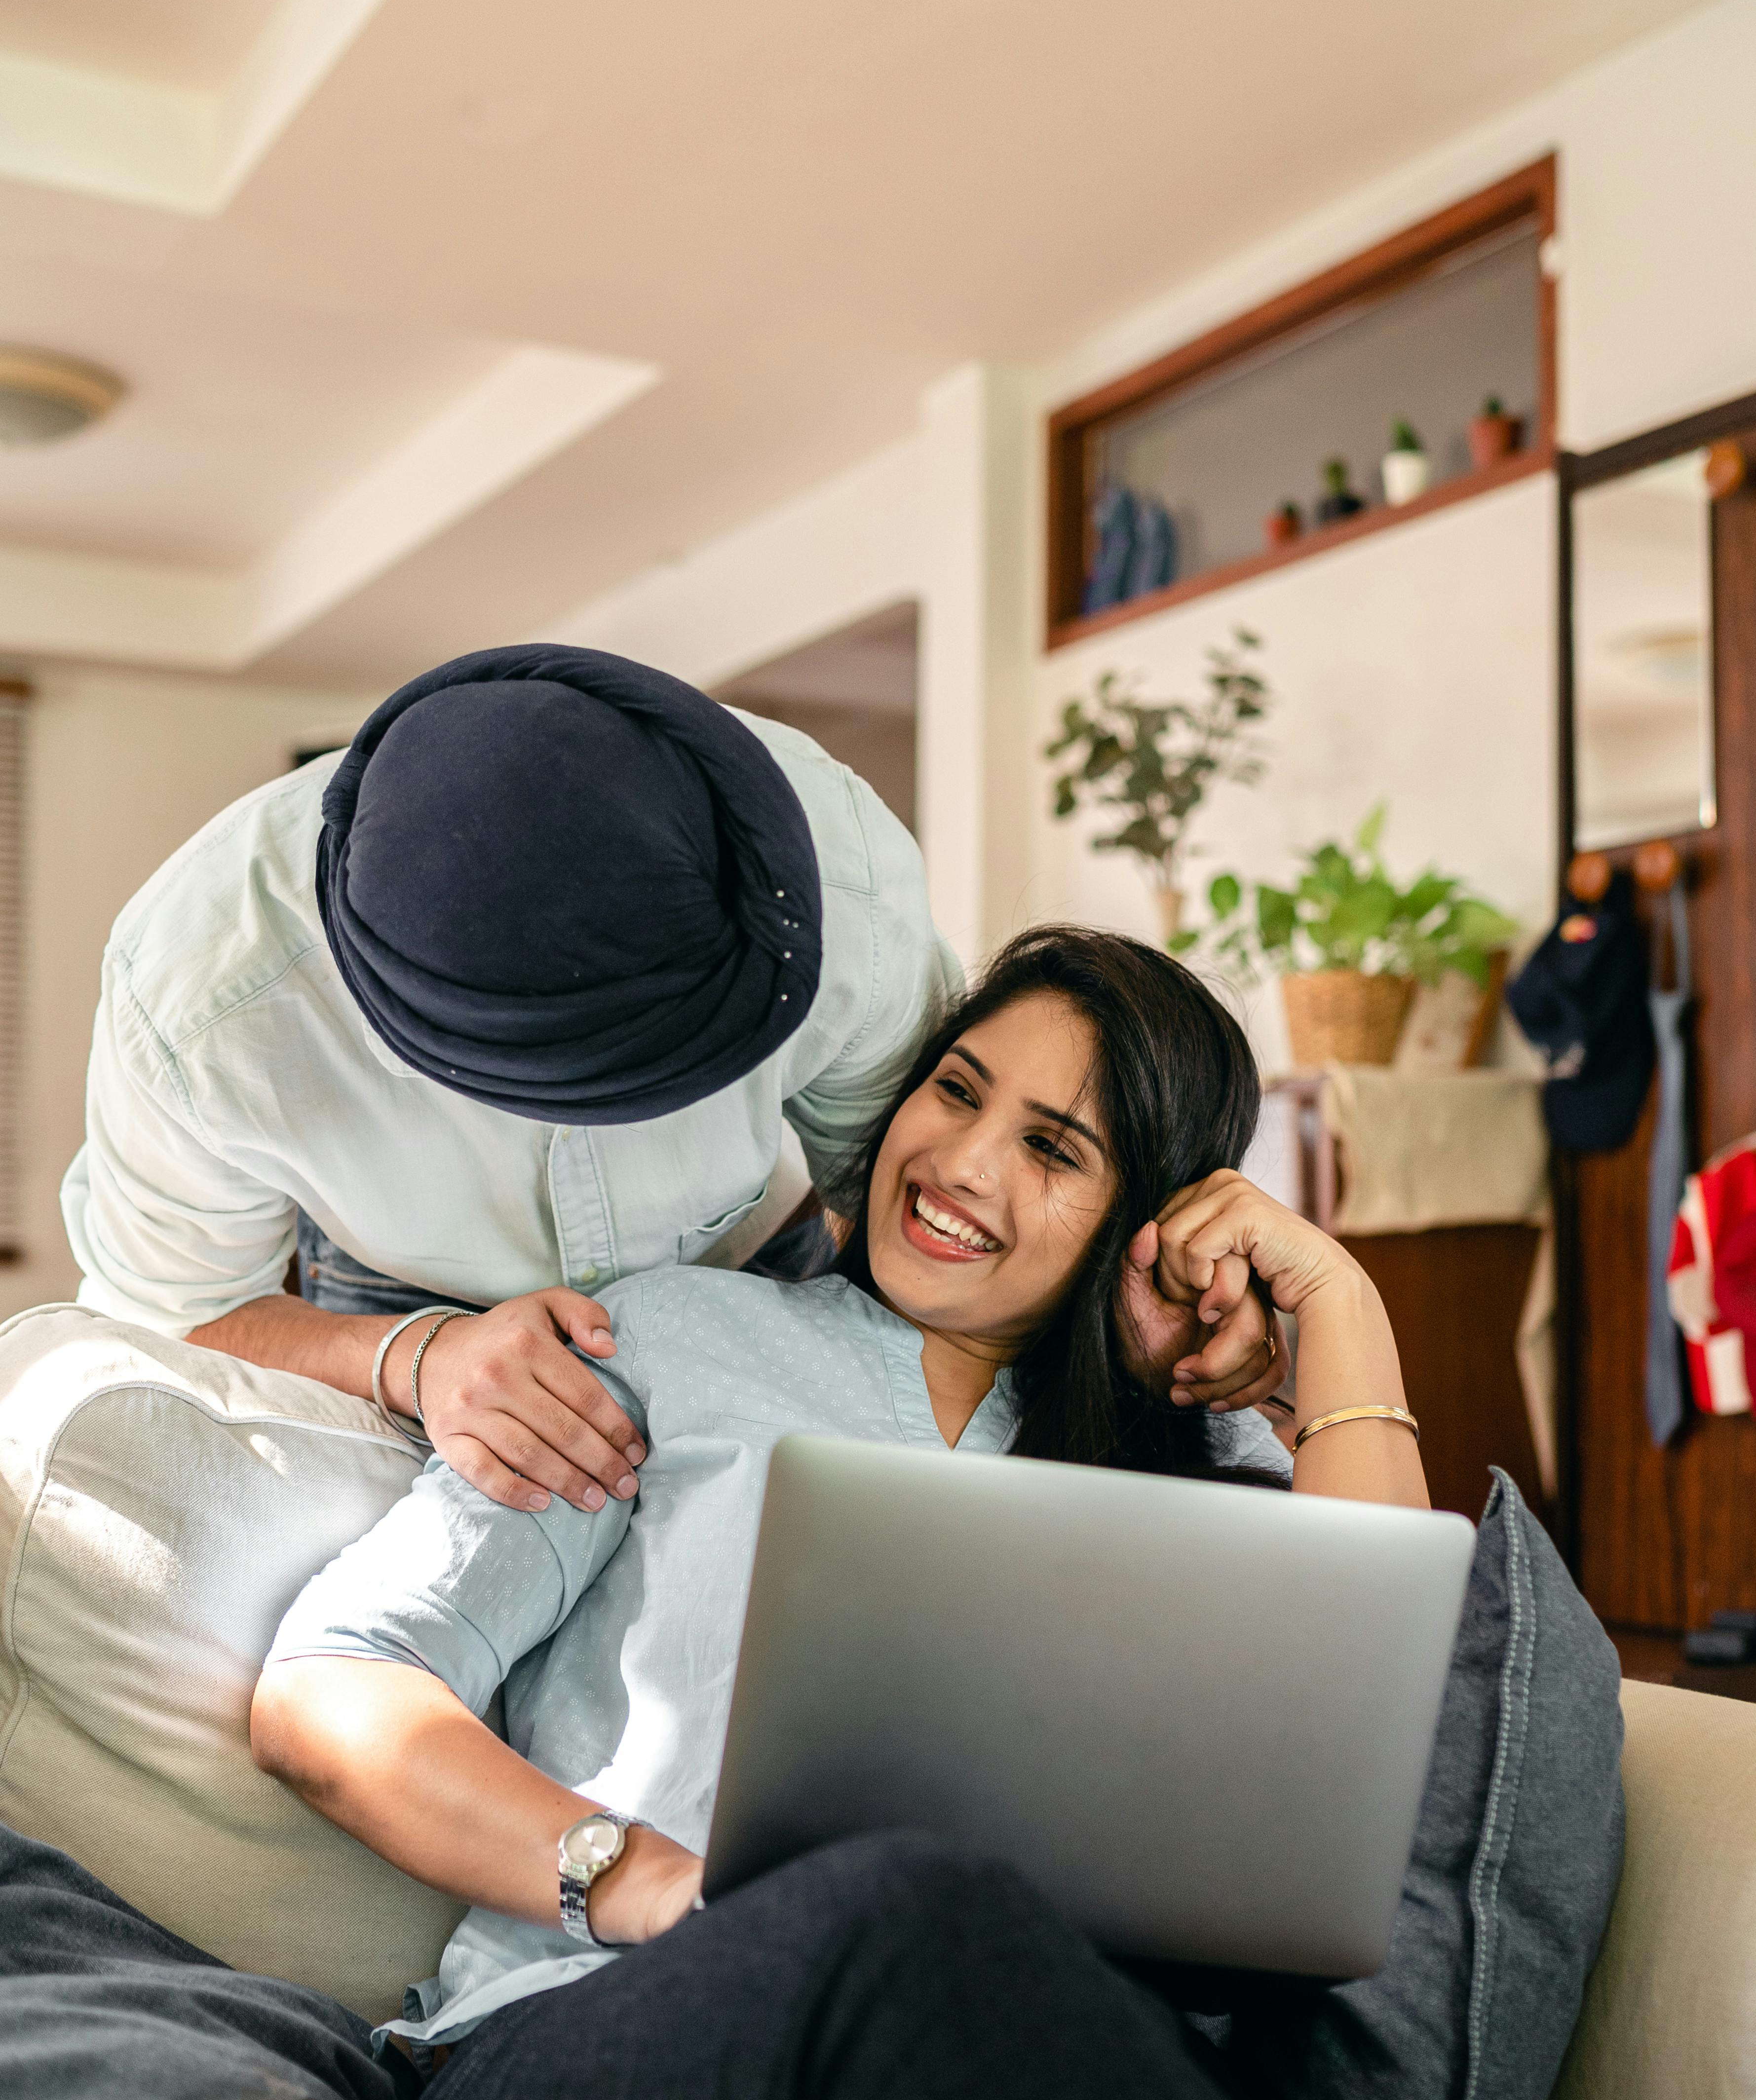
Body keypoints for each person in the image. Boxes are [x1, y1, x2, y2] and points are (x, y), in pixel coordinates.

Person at [249, 926, 1487, 2100]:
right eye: (958, 1091)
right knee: (917, 1907)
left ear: (1144, 1216)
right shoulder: (670, 1338)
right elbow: (332, 1687)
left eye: (1053, 1148)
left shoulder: (1195, 1469)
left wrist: (1335, 1304)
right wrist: (633, 1874)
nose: (961, 1162)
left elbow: (1376, 1726)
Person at [63, 647, 1282, 1519]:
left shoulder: (839, 880)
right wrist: (418, 1358)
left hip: (777, 1262)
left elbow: (921, 1209)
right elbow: (173, 1310)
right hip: (400, 1302)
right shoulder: (207, 1000)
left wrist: (1132, 1342)